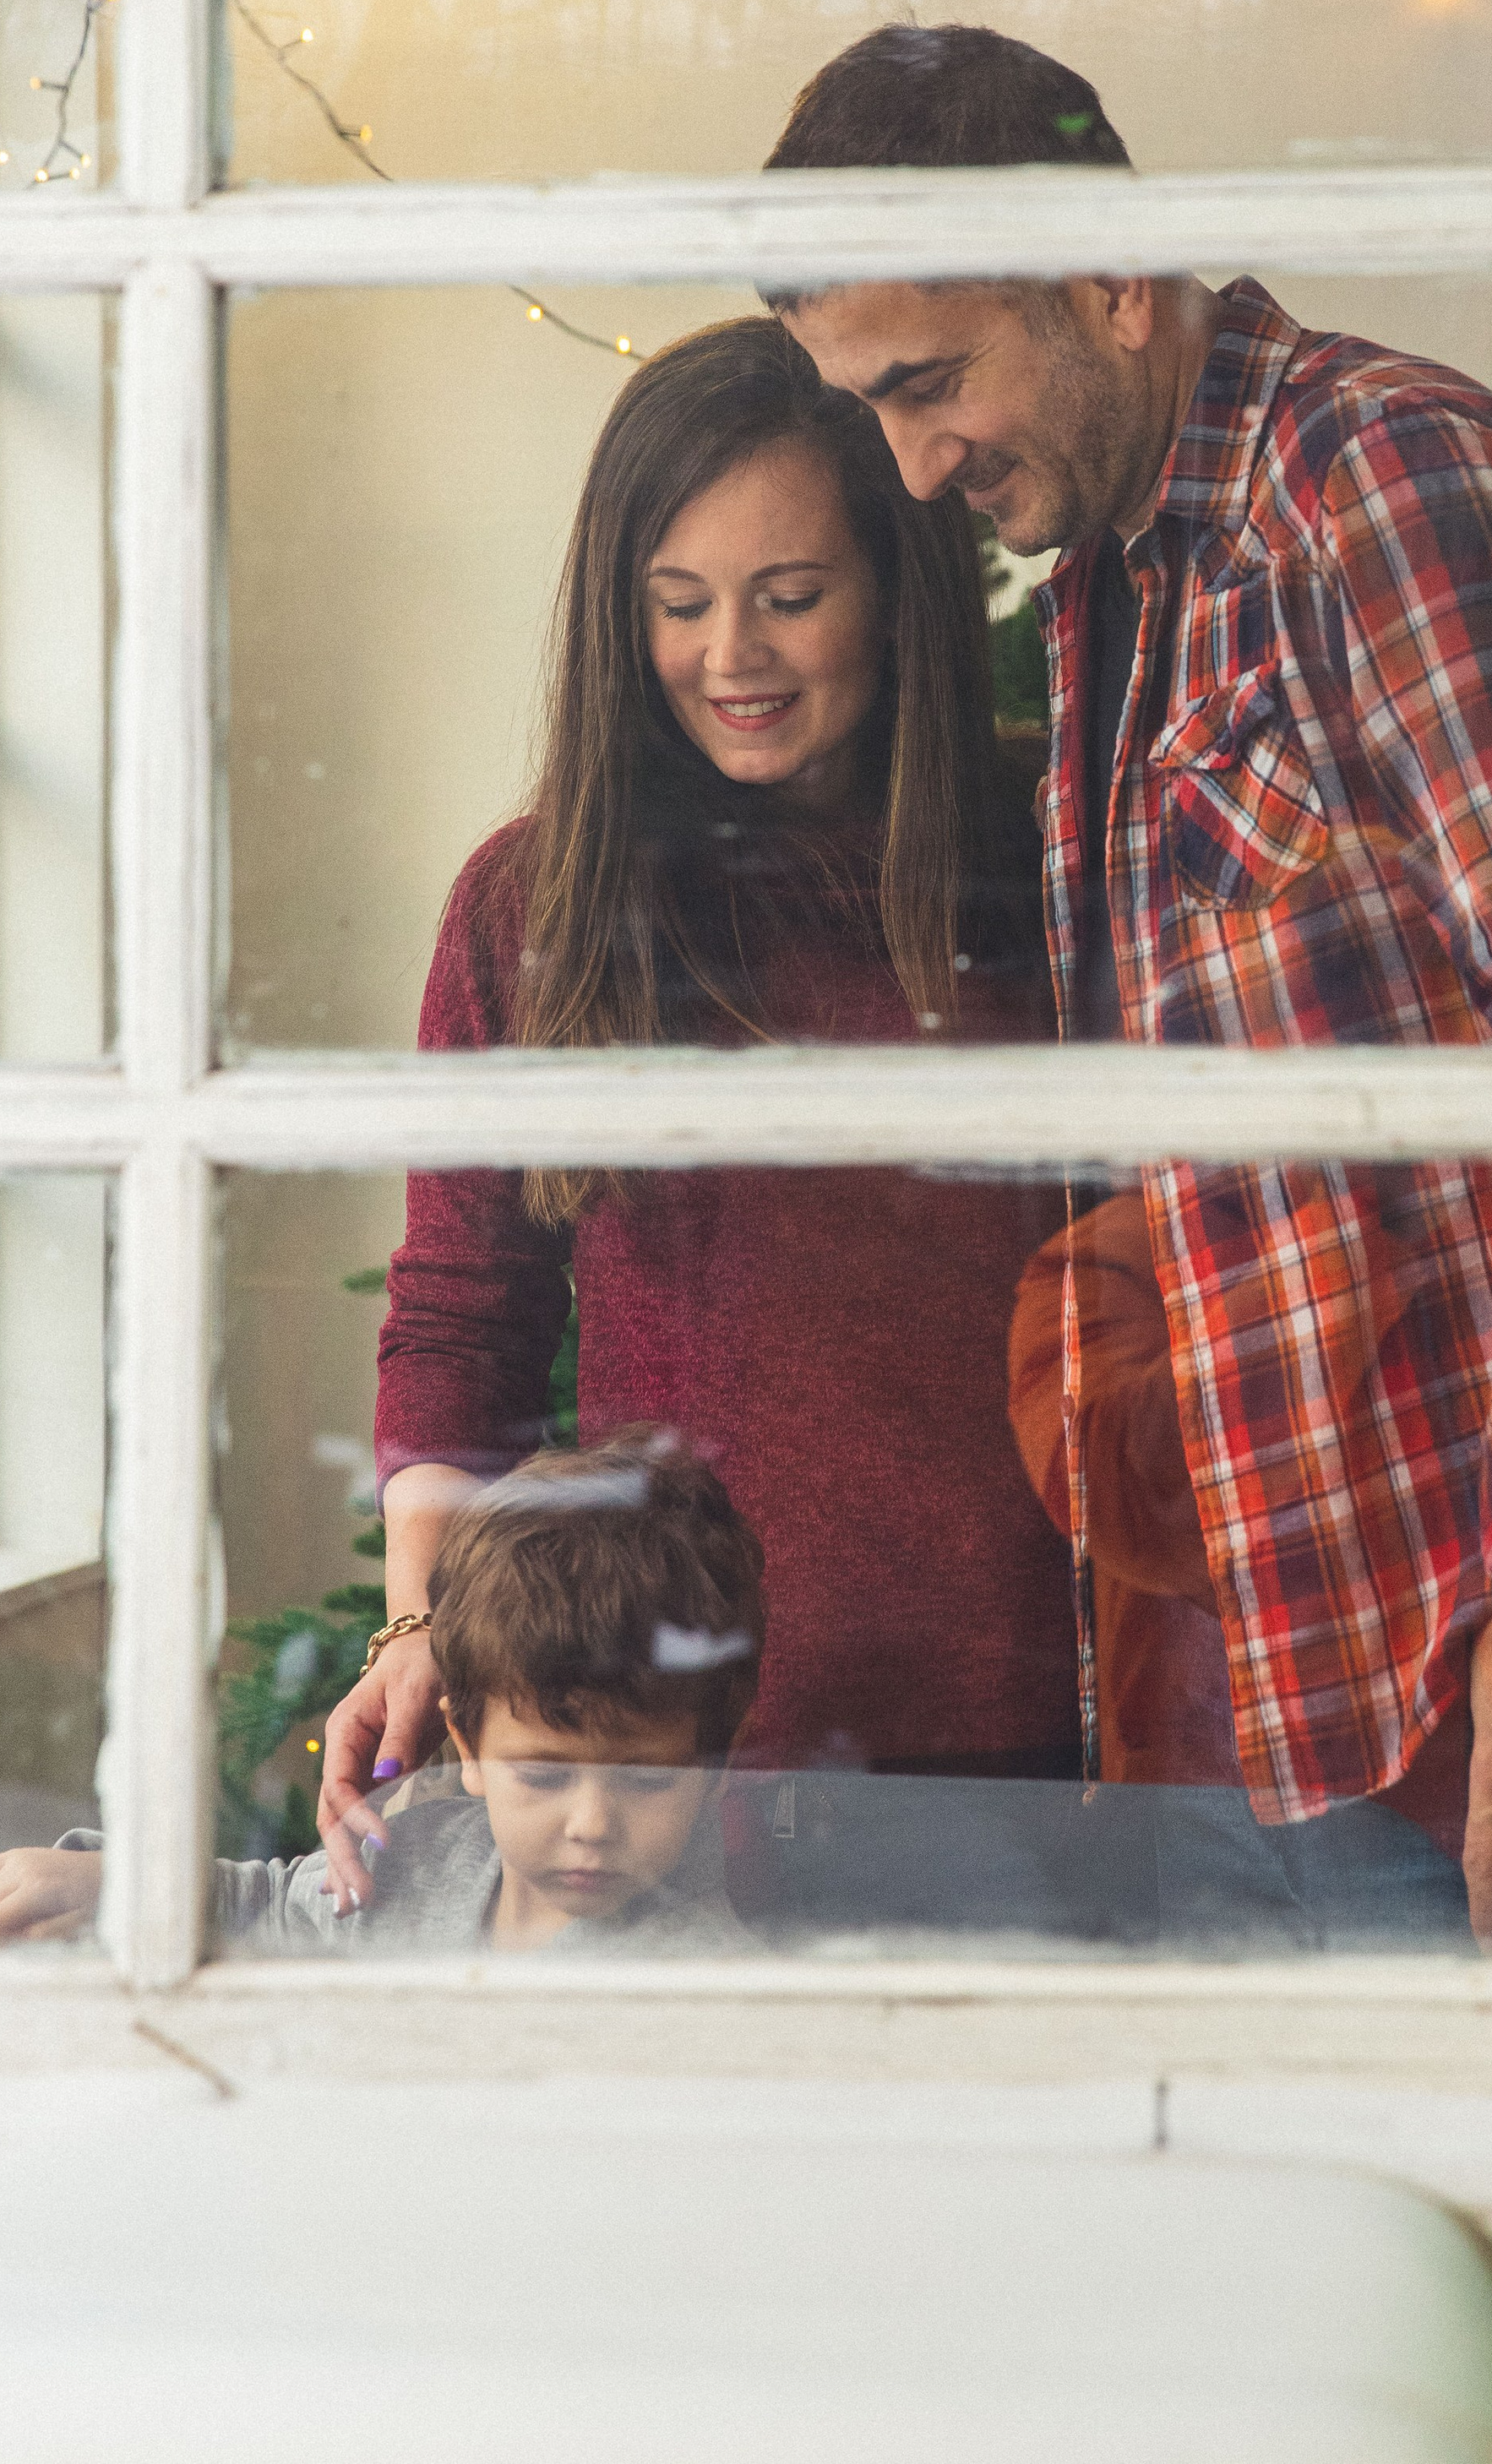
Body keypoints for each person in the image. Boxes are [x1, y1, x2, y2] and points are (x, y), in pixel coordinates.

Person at [764, 22, 1492, 1960]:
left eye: (928, 380)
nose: (909, 460)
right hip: (1264, 1715)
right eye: (867, 404)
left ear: (1109, 283)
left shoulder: (1377, 486)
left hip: (1471, 1708)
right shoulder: (1113, 586)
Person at [316, 317, 1076, 1907]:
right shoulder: (533, 904)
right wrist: (415, 1635)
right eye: (679, 604)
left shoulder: (1053, 855)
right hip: (673, 1767)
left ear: (897, 587)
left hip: (1043, 1749)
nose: (732, 654)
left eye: (791, 597)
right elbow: (463, 1324)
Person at [0, 1434, 761, 1958]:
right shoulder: (418, 1862)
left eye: (650, 1779)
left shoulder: (715, 1983)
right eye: (545, 1777)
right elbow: (266, 1906)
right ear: (469, 1749)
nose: (592, 1824)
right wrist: (109, 1883)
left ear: (717, 1767)